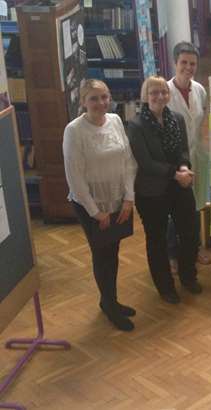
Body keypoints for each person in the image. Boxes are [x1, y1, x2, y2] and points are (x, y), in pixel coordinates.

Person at [63, 79, 138, 331]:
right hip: (91, 205)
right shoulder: (74, 131)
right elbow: (74, 176)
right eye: (94, 98)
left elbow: (128, 161)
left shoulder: (115, 120)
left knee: (113, 252)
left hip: (117, 199)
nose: (101, 103)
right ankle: (109, 305)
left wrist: (128, 198)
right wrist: (96, 213)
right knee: (102, 254)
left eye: (105, 97)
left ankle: (110, 301)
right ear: (83, 101)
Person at [127, 76, 201, 304]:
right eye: (153, 93)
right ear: (145, 96)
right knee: (157, 240)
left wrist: (184, 167)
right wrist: (176, 174)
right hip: (152, 191)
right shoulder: (136, 125)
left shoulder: (176, 119)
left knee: (190, 232)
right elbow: (146, 163)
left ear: (168, 95)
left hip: (179, 183)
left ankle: (188, 276)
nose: (159, 96)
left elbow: (183, 150)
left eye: (163, 92)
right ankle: (165, 287)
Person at [166, 41, 210, 272]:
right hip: (174, 159)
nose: (188, 68)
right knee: (174, 209)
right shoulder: (165, 92)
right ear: (175, 63)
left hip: (197, 154)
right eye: (184, 62)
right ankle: (172, 253)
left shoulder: (200, 90)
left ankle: (196, 247)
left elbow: (201, 123)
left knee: (195, 205)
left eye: (192, 64)